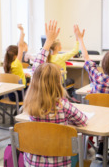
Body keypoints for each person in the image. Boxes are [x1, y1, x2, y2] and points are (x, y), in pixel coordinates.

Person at [23, 20, 87, 167]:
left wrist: (48, 42)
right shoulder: (63, 105)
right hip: (58, 163)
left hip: (32, 163)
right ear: (59, 82)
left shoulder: (31, 103)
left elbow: (36, 70)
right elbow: (83, 121)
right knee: (78, 149)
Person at [74, 24, 109, 162]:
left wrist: (80, 39)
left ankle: (101, 147)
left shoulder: (97, 77)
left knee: (102, 112)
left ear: (103, 64)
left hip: (96, 119)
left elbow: (87, 59)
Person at [3, 24, 30, 102]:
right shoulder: (16, 64)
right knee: (37, 88)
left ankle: (19, 110)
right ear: (15, 55)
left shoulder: (6, 65)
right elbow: (21, 46)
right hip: (20, 95)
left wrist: (23, 75)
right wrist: (21, 31)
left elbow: (15, 75)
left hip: (11, 95)